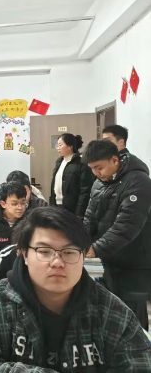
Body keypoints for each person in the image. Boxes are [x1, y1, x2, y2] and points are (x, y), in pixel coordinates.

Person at [0, 207, 151, 371]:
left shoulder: (110, 311)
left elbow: (140, 365)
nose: (57, 262)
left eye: (69, 252)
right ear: (24, 255)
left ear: (83, 257)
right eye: (44, 251)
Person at [83, 140, 151, 329]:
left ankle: (139, 346)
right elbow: (90, 217)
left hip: (134, 261)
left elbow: (127, 225)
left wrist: (95, 249)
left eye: (99, 168)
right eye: (92, 169)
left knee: (132, 313)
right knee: (113, 309)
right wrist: (79, 239)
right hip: (110, 257)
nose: (96, 173)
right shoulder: (99, 183)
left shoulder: (139, 181)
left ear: (114, 160)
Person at [49, 133, 93, 219]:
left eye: (60, 145)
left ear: (70, 146)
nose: (57, 148)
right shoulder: (59, 162)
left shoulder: (81, 163)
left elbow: (85, 191)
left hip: (72, 208)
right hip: (57, 206)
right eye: (57, 145)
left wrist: (79, 213)